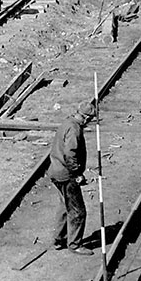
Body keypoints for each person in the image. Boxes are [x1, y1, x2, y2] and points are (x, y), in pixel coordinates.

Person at [48, 99, 98, 254]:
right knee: (78, 211)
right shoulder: (74, 129)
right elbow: (70, 154)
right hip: (66, 175)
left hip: (55, 171)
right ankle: (75, 245)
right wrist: (77, 174)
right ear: (86, 118)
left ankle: (59, 239)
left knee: (64, 206)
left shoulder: (66, 123)